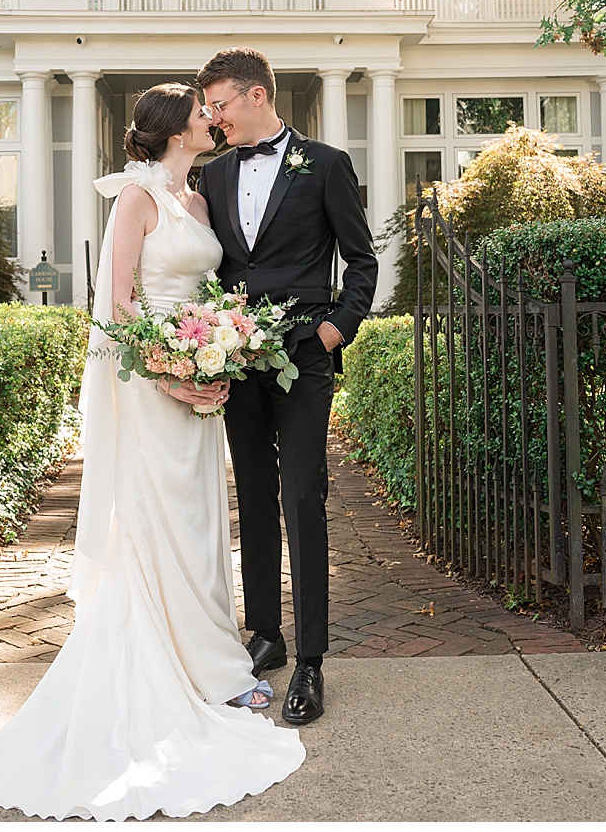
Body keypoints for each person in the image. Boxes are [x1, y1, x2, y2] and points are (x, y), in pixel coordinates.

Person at [0, 82, 305, 821]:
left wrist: (223, 352)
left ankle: (211, 659)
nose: (211, 120)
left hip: (201, 374)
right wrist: (175, 378)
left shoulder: (200, 196)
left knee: (201, 522)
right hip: (154, 386)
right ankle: (173, 669)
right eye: (200, 113)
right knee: (159, 522)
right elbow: (118, 304)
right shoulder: (136, 199)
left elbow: (207, 292)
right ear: (172, 128)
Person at [196, 48, 378, 726]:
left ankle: (311, 660)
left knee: (304, 496)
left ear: (258, 95)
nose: (214, 119)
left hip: (306, 356)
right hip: (236, 362)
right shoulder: (211, 177)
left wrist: (335, 331)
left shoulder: (325, 164)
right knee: (254, 498)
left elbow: (361, 260)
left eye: (221, 105)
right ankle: (267, 635)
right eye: (208, 109)